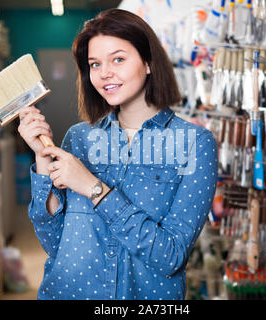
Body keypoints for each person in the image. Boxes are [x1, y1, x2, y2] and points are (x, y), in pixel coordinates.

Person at [17, 8, 218, 300]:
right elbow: (55, 242)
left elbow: (170, 256)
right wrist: (42, 160)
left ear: (148, 62)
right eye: (94, 64)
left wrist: (93, 188)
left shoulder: (194, 143)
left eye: (118, 59)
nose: (104, 73)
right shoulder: (79, 137)